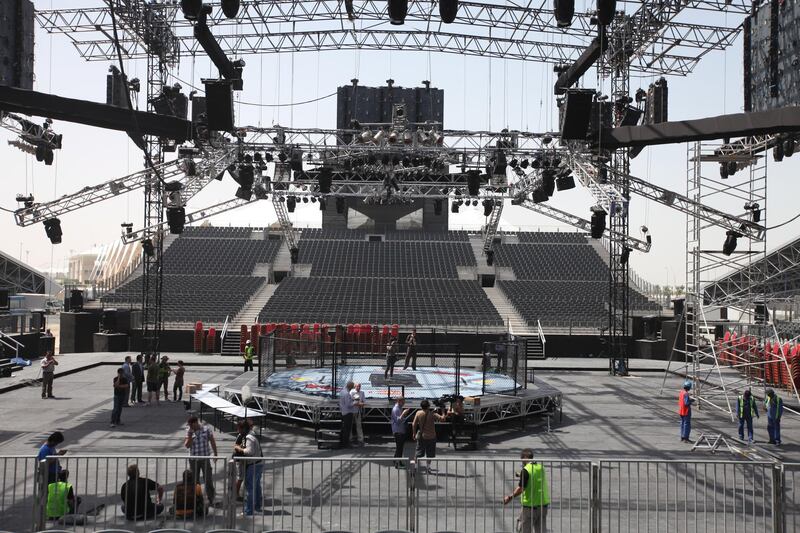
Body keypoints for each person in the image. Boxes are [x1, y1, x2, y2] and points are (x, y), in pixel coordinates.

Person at [502, 448, 550, 533]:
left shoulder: (526, 470)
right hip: (543, 505)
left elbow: (521, 488)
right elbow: (534, 477)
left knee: (524, 530)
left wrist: (509, 497)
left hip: (530, 507)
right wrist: (521, 474)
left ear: (524, 458)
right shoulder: (540, 468)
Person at [184, 416, 218, 506]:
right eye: (190, 425)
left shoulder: (206, 429)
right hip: (193, 459)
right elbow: (187, 445)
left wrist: (215, 453)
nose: (191, 427)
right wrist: (191, 435)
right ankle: (197, 500)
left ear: (196, 422)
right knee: (195, 480)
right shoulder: (189, 431)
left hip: (205, 459)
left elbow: (212, 441)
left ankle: (211, 498)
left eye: (192, 425)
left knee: (208, 479)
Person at [233, 421, 263, 516]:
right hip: (258, 463)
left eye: (239, 429)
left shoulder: (248, 438)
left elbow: (249, 451)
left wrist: (239, 448)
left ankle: (248, 510)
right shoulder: (251, 435)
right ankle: (257, 506)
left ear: (244, 429)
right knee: (257, 486)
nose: (238, 431)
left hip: (253, 465)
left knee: (249, 488)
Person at [411, 399, 447, 471]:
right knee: (429, 454)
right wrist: (443, 411)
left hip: (422, 436)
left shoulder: (418, 413)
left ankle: (415, 467)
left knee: (417, 453)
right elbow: (443, 419)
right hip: (431, 436)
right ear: (428, 406)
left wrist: (414, 433)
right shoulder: (432, 414)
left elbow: (413, 424)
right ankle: (428, 467)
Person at [391, 397, 413, 468]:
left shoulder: (399, 408)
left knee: (399, 448)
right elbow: (398, 421)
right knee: (399, 448)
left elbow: (401, 419)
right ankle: (398, 463)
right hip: (398, 431)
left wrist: (404, 415)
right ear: (399, 401)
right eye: (403, 402)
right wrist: (403, 413)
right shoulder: (396, 409)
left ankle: (396, 461)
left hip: (400, 430)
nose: (404, 403)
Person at [339, 381, 357, 448]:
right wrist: (355, 402)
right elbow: (349, 404)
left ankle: (343, 442)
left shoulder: (342, 391)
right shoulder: (347, 393)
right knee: (347, 429)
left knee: (344, 428)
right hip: (348, 412)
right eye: (352, 387)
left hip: (344, 412)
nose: (352, 388)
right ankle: (346, 443)